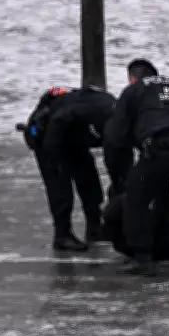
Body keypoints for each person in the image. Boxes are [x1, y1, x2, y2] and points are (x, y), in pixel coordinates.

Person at [103, 58, 169, 274]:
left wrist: (119, 176)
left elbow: (114, 137)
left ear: (133, 78)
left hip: (159, 148)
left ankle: (143, 259)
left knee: (137, 198)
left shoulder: (134, 91)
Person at [20, 85, 115, 251]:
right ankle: (62, 235)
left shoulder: (118, 117)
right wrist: (55, 160)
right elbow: (58, 121)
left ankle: (94, 228)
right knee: (60, 185)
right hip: (47, 134)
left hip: (73, 135)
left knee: (88, 178)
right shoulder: (94, 112)